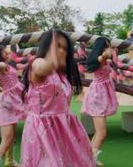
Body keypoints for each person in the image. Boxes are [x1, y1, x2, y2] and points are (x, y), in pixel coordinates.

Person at [20, 30, 95, 167]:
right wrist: (51, 58)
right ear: (46, 47)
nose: (61, 51)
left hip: (64, 129)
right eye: (57, 46)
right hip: (43, 132)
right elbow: (42, 68)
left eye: (65, 49)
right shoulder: (37, 65)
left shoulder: (61, 75)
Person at [81, 37, 119, 166]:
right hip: (97, 96)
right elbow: (103, 57)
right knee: (102, 134)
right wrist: (107, 53)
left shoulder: (102, 59)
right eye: (107, 45)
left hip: (100, 94)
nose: (110, 48)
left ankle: (89, 159)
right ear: (102, 47)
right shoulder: (100, 58)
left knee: (99, 132)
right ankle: (90, 161)